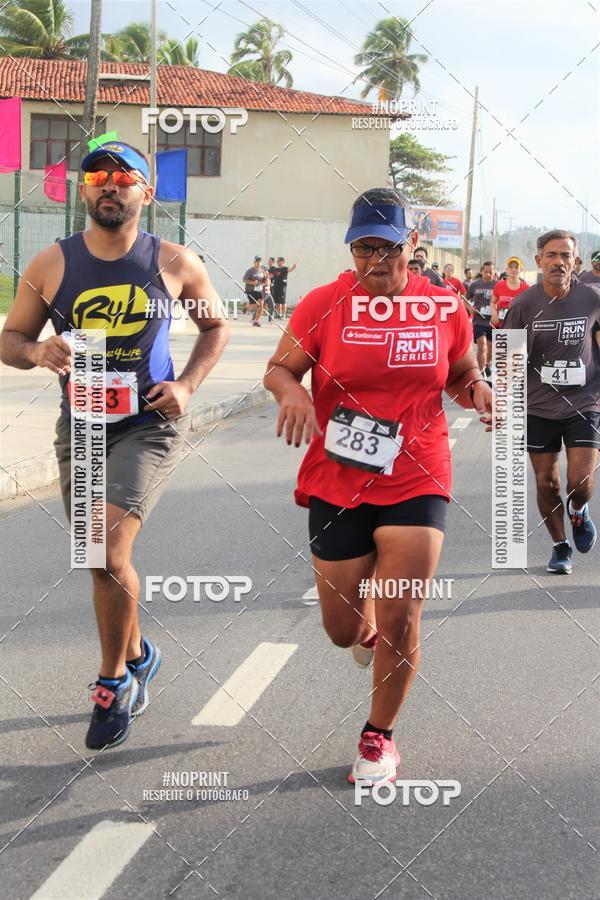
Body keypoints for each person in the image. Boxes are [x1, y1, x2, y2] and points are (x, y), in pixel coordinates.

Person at [0, 142, 229, 749]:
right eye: (98, 176)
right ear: (83, 190)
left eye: (125, 177)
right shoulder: (51, 263)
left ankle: (113, 681)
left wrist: (187, 384)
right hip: (81, 422)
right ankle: (139, 652)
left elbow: (216, 325)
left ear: (145, 194)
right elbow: (11, 338)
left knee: (104, 546)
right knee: (100, 559)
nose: (111, 185)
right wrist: (36, 351)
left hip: (148, 423)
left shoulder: (176, 261)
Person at [264, 188, 492, 784]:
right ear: (351, 248)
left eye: (388, 249)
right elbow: (281, 368)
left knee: (400, 614)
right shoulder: (322, 303)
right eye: (364, 248)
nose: (376, 262)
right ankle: (358, 621)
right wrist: (292, 394)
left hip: (418, 468)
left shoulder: (444, 307)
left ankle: (379, 736)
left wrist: (479, 391)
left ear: (411, 247)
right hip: (339, 476)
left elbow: (462, 373)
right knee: (343, 631)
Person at [503, 230, 600, 574]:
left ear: (575, 261)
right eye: (552, 255)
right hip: (538, 406)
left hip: (585, 402)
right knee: (547, 482)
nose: (559, 261)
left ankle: (578, 510)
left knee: (580, 481)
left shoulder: (592, 298)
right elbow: (509, 359)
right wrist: (505, 403)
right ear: (539, 261)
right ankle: (560, 546)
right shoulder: (523, 305)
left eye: (566, 256)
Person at [466, 261, 497, 377]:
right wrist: (470, 308)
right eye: (486, 272)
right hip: (479, 320)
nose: (488, 274)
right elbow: (464, 298)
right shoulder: (474, 285)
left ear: (494, 273)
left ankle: (487, 364)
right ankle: (481, 371)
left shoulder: (498, 285)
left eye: (491, 272)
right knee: (481, 344)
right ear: (481, 272)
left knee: (490, 347)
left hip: (493, 321)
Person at [490, 256, 529, 327]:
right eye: (511, 267)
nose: (513, 269)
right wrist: (494, 313)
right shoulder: (499, 285)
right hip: (501, 326)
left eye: (516, 267)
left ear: (521, 270)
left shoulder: (526, 288)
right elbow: (493, 302)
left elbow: (529, 307)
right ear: (507, 269)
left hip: (518, 327)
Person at [243, 256, 266, 326]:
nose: (258, 263)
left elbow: (264, 280)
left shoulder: (262, 271)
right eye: (257, 261)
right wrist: (252, 282)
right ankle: (246, 306)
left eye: (259, 261)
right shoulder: (250, 271)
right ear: (254, 262)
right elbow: (244, 280)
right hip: (251, 290)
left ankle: (256, 321)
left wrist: (265, 281)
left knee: (261, 305)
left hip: (259, 290)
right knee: (254, 305)